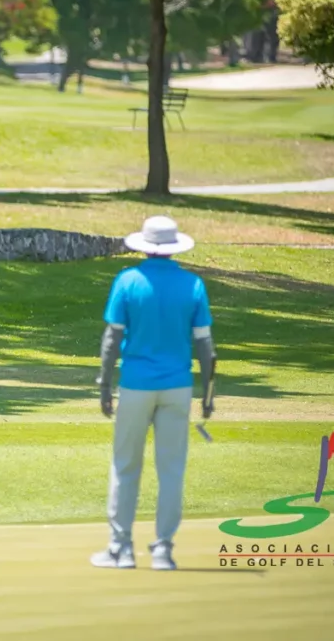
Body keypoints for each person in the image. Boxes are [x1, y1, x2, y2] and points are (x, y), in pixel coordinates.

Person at [91, 216, 217, 571]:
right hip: (177, 387)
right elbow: (206, 346)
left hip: (136, 384)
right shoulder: (192, 284)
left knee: (125, 466)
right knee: (171, 470)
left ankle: (121, 549)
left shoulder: (128, 281)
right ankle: (163, 550)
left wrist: (104, 385)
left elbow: (112, 339)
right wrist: (208, 394)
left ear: (144, 247)